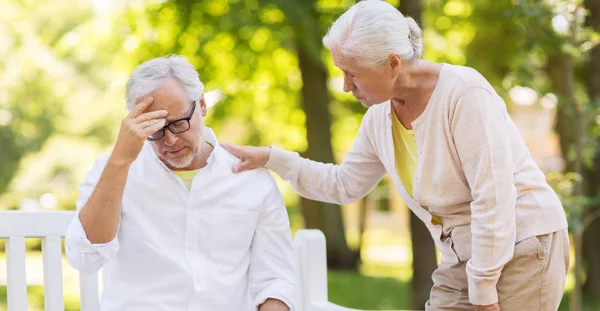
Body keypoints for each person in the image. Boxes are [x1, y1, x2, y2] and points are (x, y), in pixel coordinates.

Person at [220, 1, 569, 310]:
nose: (345, 86)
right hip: (463, 255)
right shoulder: (378, 119)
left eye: (352, 73)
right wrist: (272, 158)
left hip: (522, 242)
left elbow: (492, 196)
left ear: (392, 63)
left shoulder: (465, 93)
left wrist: (483, 289)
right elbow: (344, 185)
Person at [65, 55, 295, 311]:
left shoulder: (252, 180)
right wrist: (120, 160)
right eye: (155, 130)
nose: (170, 141)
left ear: (203, 105)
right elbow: (85, 257)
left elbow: (275, 281)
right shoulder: (113, 170)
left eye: (178, 124)